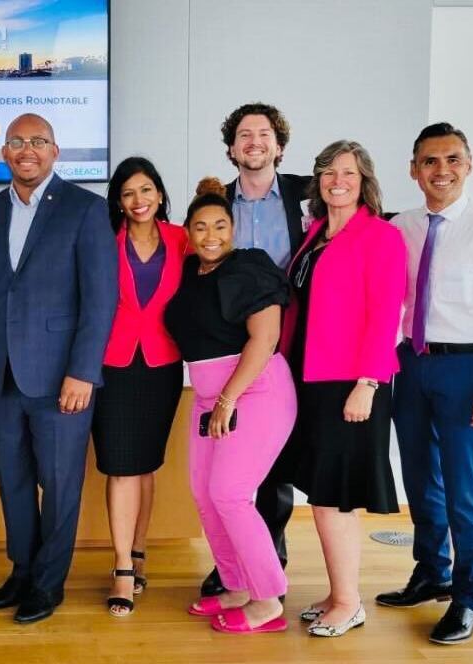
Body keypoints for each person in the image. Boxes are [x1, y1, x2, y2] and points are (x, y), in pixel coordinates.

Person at [376, 123, 473, 645]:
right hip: (412, 363)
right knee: (420, 480)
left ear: (468, 165)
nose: (441, 170)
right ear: (413, 169)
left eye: (451, 160)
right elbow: (390, 299)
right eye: (429, 161)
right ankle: (431, 573)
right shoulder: (402, 226)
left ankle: (468, 598)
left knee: (463, 490)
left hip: (468, 369)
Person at [0, 113, 118, 624]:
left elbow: (100, 300)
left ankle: (49, 584)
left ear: (55, 151)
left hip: (60, 381)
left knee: (60, 484)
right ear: (4, 153)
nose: (26, 150)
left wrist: (83, 372)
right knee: (12, 480)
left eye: (37, 141)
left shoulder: (85, 209)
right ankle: (22, 571)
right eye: (16, 142)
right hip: (0, 376)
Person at [280, 140, 406, 637]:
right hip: (311, 380)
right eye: (329, 171)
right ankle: (338, 593)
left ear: (364, 180)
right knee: (325, 495)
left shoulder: (380, 236)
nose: (338, 179)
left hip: (351, 384)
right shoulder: (316, 234)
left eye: (348, 172)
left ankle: (349, 602)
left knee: (336, 498)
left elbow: (384, 314)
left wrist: (368, 384)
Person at [164, 178, 294, 634]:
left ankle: (267, 598)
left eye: (221, 224)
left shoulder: (250, 267)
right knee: (204, 494)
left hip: (254, 393)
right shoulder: (188, 272)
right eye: (200, 226)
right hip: (207, 398)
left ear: (234, 229)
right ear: (188, 231)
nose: (211, 234)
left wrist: (227, 399)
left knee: (231, 494)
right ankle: (236, 585)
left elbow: (265, 338)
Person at [198, 102, 312, 599]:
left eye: (263, 134)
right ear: (231, 148)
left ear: (278, 146)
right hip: (232, 344)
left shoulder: (308, 196)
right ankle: (237, 567)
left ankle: (272, 553)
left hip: (294, 336)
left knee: (275, 460)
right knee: (229, 468)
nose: (254, 142)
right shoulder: (216, 201)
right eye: (244, 135)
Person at [93, 157, 187, 617]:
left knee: (146, 464)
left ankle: (140, 548)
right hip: (112, 363)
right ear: (118, 200)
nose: (138, 200)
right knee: (120, 466)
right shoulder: (103, 242)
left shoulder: (182, 239)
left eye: (146, 190)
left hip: (164, 362)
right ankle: (122, 567)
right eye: (129, 193)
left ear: (160, 193)